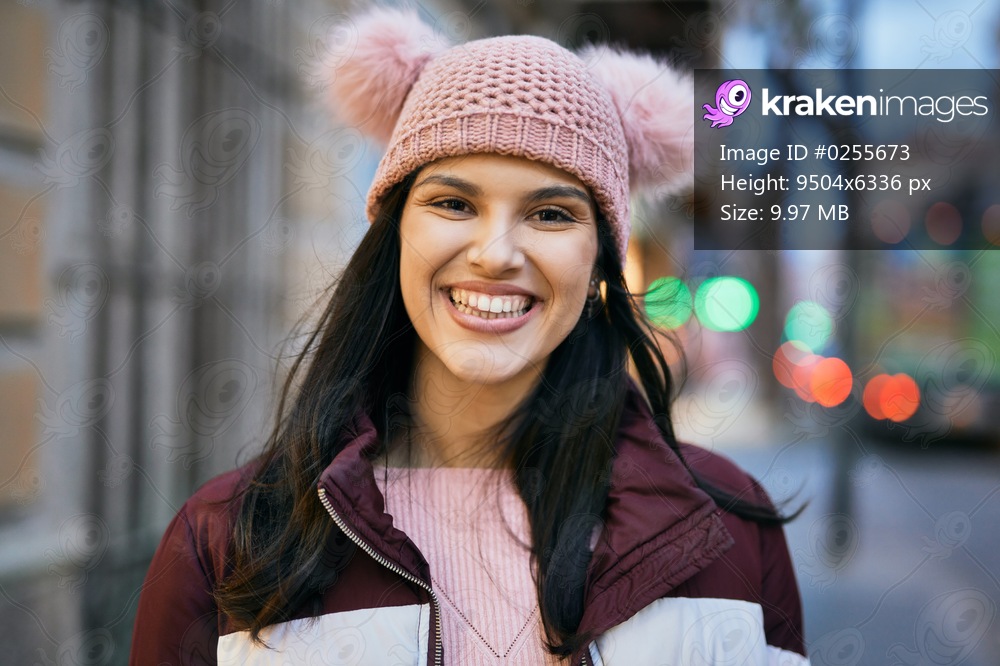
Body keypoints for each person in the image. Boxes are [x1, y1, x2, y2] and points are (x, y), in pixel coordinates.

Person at [130, 7, 809, 665]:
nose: (495, 253)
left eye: (550, 213)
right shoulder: (226, 538)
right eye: (454, 203)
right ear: (397, 231)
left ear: (598, 258)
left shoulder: (730, 537)